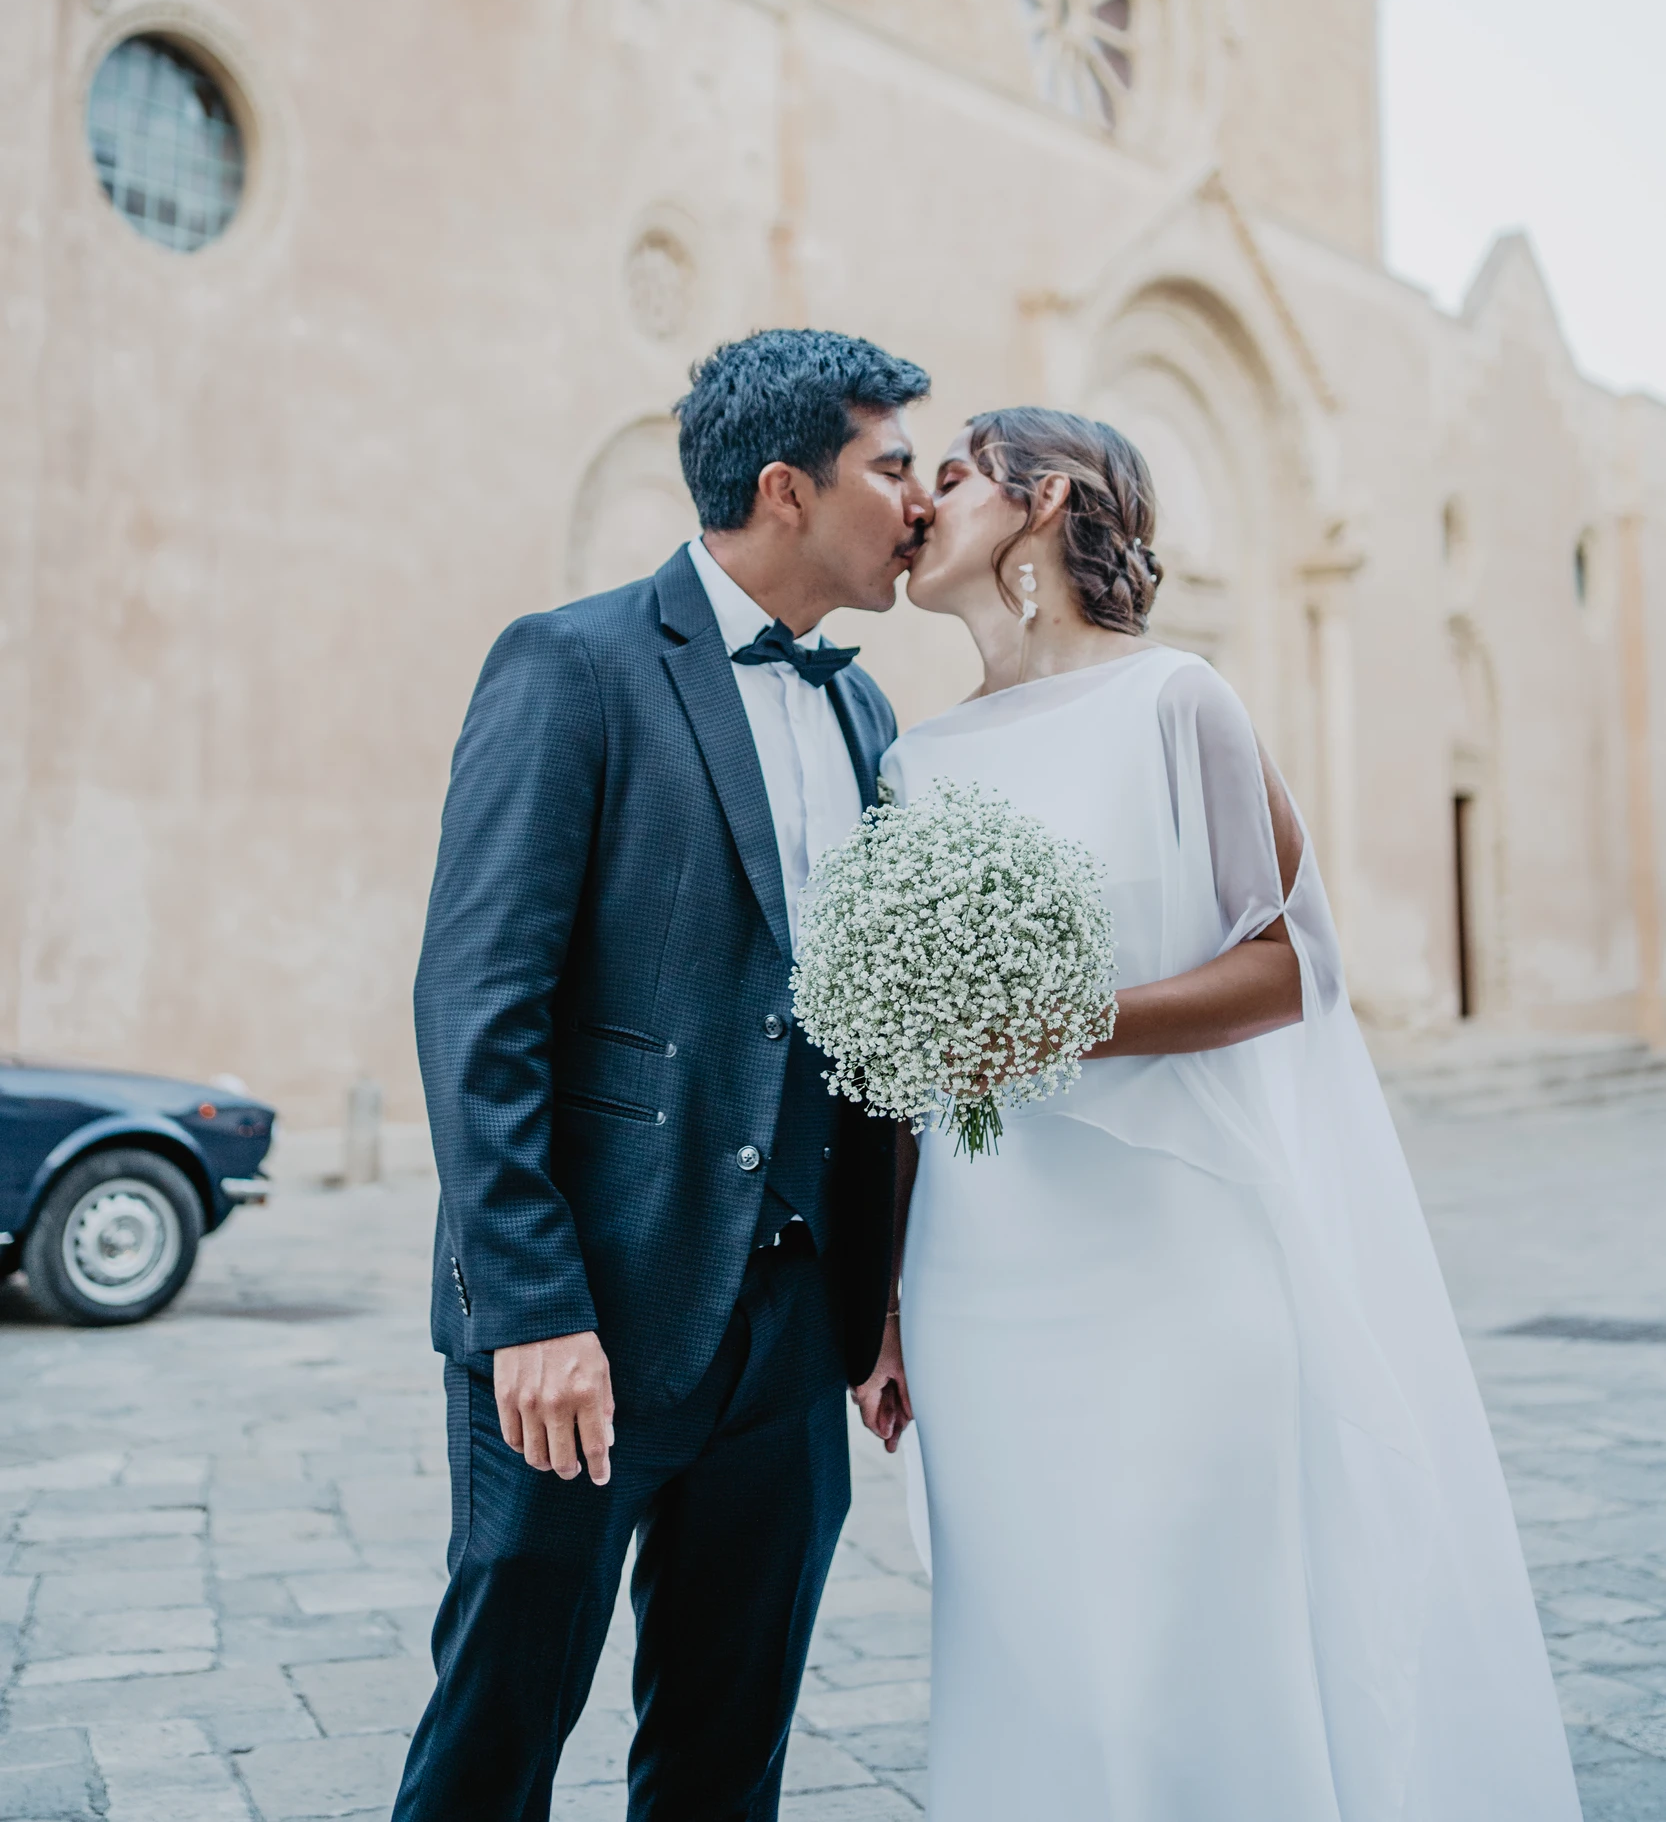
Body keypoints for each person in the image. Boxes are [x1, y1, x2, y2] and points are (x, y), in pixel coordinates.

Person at [852, 406, 1582, 1822]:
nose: (919, 505)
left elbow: (1290, 960)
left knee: (1177, 1632)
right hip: (978, 1272)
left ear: (1041, 501)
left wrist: (1066, 1025)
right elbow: (900, 1059)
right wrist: (877, 1304)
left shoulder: (1177, 700)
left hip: (1172, 1262)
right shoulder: (910, 768)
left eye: (949, 476)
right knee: (1031, 1635)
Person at [392, 328, 933, 1822]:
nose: (921, 501)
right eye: (892, 466)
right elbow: (476, 1001)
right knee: (495, 1735)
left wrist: (877, 1292)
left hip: (789, 1325)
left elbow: (861, 1035)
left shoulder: (861, 708)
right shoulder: (569, 662)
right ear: (784, 489)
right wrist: (534, 1310)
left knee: (725, 1749)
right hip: (586, 1320)